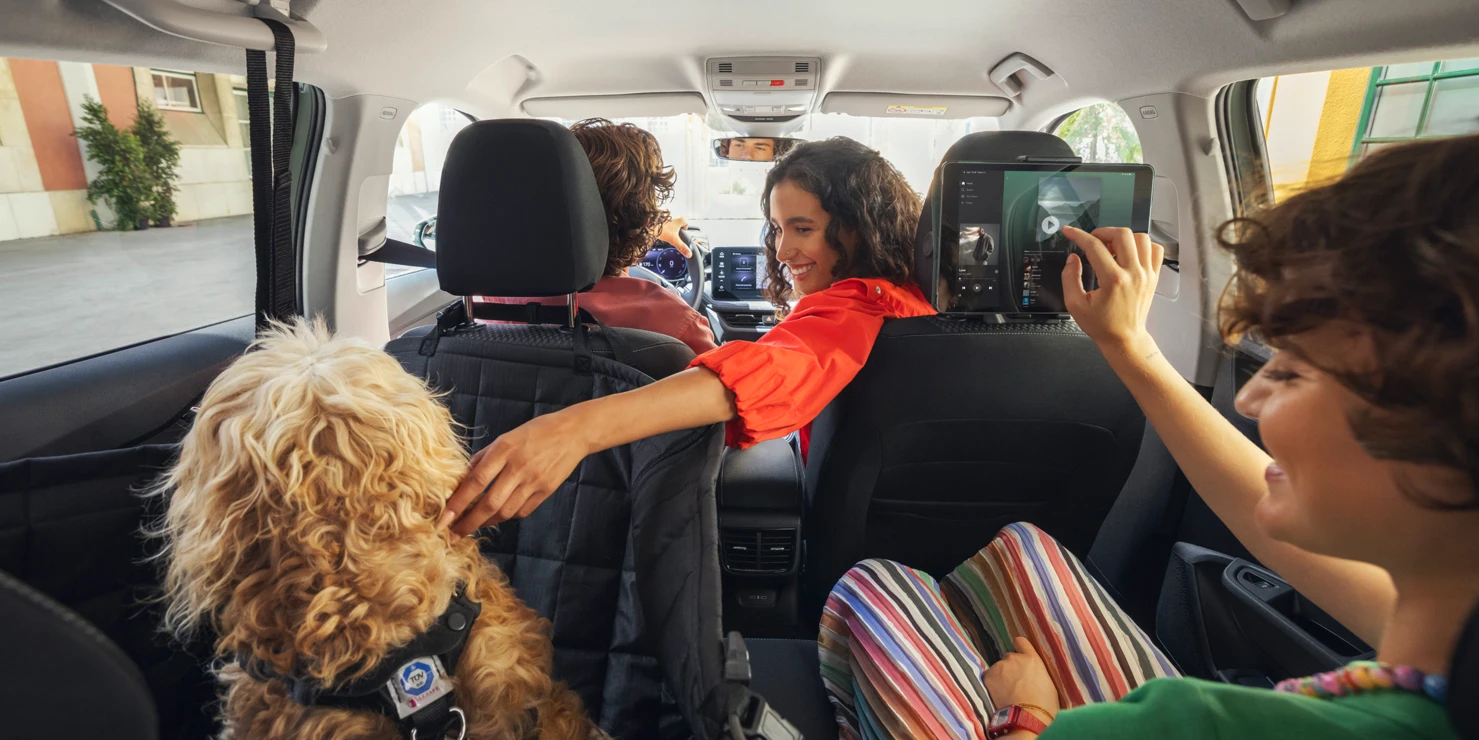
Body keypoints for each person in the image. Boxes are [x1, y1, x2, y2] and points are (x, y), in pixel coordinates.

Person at [819, 134, 1479, 739]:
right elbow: (1254, 503)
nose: (1248, 396)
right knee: (1023, 545)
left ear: (1443, 432)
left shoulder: (1184, 723)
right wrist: (1124, 345)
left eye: (1292, 370)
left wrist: (1026, 714)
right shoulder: (1449, 617)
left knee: (876, 583)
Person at [438, 137, 935, 536]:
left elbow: (772, 371)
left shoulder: (859, 305)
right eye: (777, 229)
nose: (783, 250)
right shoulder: (918, 299)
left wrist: (572, 429)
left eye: (802, 228)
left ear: (858, 226)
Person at [477, 118, 717, 355]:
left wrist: (646, 226)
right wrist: (640, 228)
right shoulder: (677, 325)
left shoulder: (492, 305)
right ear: (642, 220)